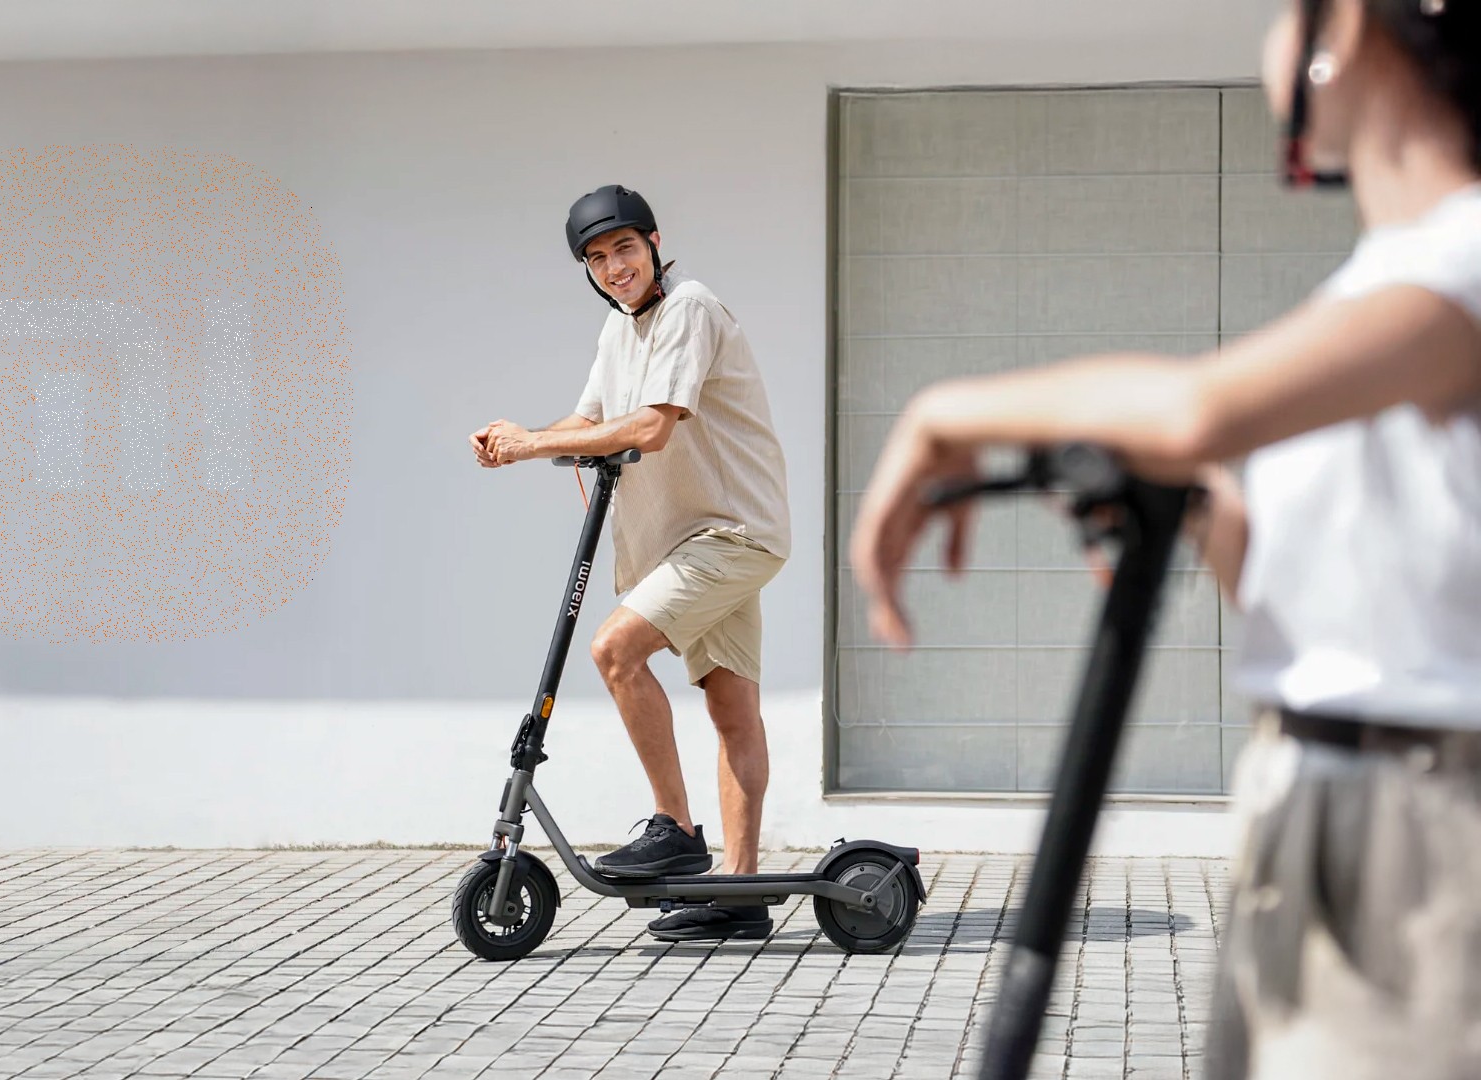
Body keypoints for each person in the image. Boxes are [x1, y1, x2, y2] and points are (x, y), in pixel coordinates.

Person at [850, 0, 1481, 1075]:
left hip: (1422, 820)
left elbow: (1199, 411)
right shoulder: (1376, 284)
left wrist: (944, 413)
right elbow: (1296, 581)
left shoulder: (1461, 254)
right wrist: (1188, 507)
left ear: (1344, 29)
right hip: (1318, 797)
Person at [470, 185, 792, 942]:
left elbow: (649, 427)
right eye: (597, 258)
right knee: (732, 710)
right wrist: (519, 440)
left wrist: (533, 444)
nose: (615, 267)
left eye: (624, 248)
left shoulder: (689, 309)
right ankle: (741, 892)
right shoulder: (618, 330)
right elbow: (589, 419)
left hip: (731, 534)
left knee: (614, 651)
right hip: (688, 541)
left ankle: (674, 828)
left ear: (653, 243)